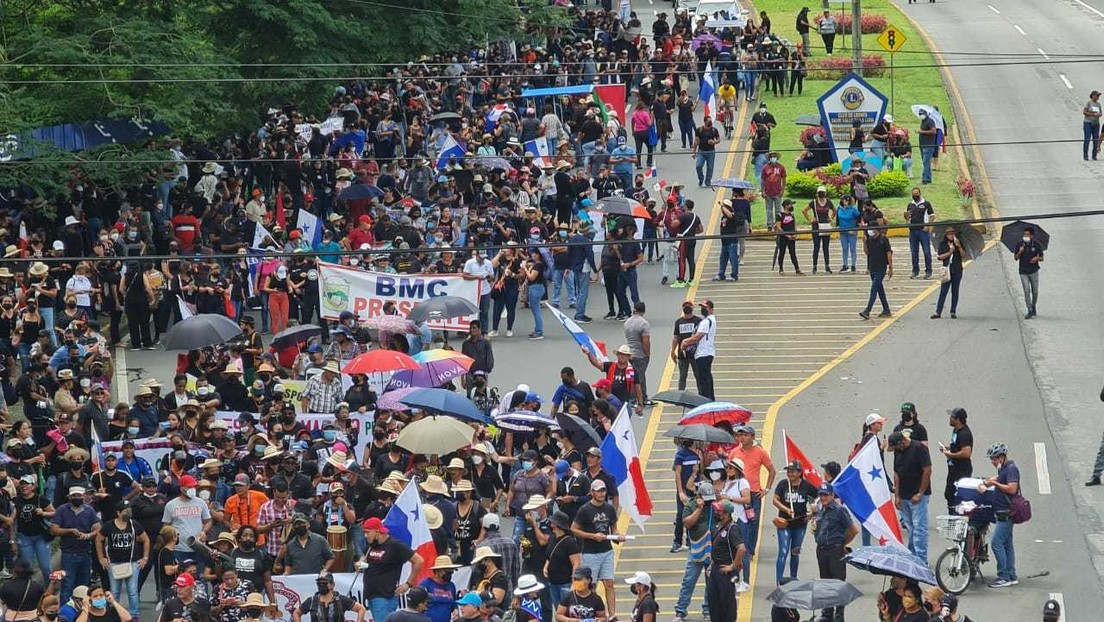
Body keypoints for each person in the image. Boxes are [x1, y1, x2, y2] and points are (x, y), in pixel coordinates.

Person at [570, 480, 624, 621]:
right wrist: (592, 536)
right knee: (590, 585)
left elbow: (614, 529)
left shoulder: (609, 509)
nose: (601, 493)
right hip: (590, 552)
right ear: (592, 492)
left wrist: (618, 535)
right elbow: (574, 529)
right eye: (598, 491)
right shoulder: (585, 510)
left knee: (609, 583)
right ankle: (592, 613)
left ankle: (612, 614)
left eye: (603, 490)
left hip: (606, 550)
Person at [727, 426, 774, 585]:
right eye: (740, 435)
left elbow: (771, 470)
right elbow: (729, 471)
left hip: (753, 494)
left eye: (745, 435)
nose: (742, 438)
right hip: (737, 493)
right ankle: (739, 548)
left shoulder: (760, 452)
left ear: (752, 437)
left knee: (753, 522)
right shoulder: (734, 452)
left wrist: (766, 489)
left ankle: (750, 550)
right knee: (736, 522)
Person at [357, 516, 423, 622]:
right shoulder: (372, 545)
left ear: (377, 531)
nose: (365, 536)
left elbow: (419, 560)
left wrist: (408, 584)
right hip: (371, 594)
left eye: (368, 532)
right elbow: (364, 557)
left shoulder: (395, 545)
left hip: (385, 596)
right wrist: (360, 563)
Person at [95, 500, 150, 619]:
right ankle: (114, 616)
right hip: (113, 563)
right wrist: (101, 558)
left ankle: (134, 616)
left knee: (133, 591)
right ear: (118, 513)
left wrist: (145, 558)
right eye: (126, 511)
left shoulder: (134, 524)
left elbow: (146, 539)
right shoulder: (109, 525)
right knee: (114, 592)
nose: (128, 513)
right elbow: (99, 540)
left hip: (132, 562)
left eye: (129, 510)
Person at [673, 482, 716, 622]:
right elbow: (687, 523)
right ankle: (680, 611)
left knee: (711, 583)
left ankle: (708, 610)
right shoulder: (691, 506)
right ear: (699, 496)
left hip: (711, 550)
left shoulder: (715, 506)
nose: (709, 501)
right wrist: (699, 508)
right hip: (696, 550)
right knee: (688, 581)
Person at [978, 443, 1019, 588]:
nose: (993, 462)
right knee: (1007, 545)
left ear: (1002, 457)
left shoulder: (1011, 469)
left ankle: (1003, 576)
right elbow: (997, 478)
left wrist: (995, 484)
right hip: (1001, 512)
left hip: (1006, 514)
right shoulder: (1004, 469)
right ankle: (1011, 575)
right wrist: (986, 483)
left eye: (994, 459)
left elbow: (1012, 488)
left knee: (996, 544)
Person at [812, 484, 855, 622]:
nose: (823, 497)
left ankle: (839, 615)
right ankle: (827, 612)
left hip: (835, 550)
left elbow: (853, 530)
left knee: (838, 584)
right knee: (826, 583)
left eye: (826, 495)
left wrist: (842, 544)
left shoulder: (839, 510)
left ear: (832, 495)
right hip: (822, 550)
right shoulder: (820, 509)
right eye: (821, 495)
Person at [51, 486, 101, 605]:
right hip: (68, 554)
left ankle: (82, 612)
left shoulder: (89, 511)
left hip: (85, 553)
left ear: (84, 496)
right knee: (67, 586)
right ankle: (65, 613)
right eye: (74, 496)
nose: (77, 498)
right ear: (69, 497)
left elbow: (98, 528)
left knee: (83, 588)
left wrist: (88, 535)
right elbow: (54, 529)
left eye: (79, 495)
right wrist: (69, 531)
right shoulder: (62, 510)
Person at [888, 432, 932, 564]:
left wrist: (920, 493)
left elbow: (927, 470)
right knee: (911, 528)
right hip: (904, 496)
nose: (895, 450)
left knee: (920, 528)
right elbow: (896, 473)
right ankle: (913, 556)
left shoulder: (919, 448)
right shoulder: (898, 451)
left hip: (917, 496)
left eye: (896, 447)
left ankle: (922, 560)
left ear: (902, 442)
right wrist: (897, 496)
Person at [772, 461, 817, 585]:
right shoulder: (782, 484)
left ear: (799, 473)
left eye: (792, 471)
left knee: (795, 552)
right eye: (788, 471)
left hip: (800, 525)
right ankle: (779, 581)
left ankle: (793, 580)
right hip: (784, 523)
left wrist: (812, 513)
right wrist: (786, 509)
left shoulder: (806, 486)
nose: (790, 473)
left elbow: (819, 499)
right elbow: (775, 500)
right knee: (783, 552)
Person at [704, 501, 745, 622]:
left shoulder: (732, 529)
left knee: (727, 603)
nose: (716, 513)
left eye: (719, 511)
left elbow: (741, 549)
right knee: (714, 601)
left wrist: (732, 566)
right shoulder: (719, 525)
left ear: (726, 514)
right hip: (715, 569)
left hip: (725, 572)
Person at [292, 572, 367, 622]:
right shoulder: (312, 601)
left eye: (324, 583)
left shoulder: (340, 599)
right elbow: (296, 613)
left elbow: (361, 609)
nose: (321, 585)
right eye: (319, 583)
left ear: (332, 585)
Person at [681, 300, 716, 400]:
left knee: (703, 379)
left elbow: (697, 337)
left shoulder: (706, 322)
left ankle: (706, 399)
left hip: (703, 353)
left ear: (711, 309)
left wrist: (685, 342)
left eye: (705, 307)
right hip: (706, 352)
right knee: (707, 377)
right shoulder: (709, 320)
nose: (703, 309)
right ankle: (710, 398)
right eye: (702, 307)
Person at [544, 511, 581, 607]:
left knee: (567, 610)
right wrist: (545, 567)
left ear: (556, 524)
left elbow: (576, 564)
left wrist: (574, 582)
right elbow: (549, 557)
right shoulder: (552, 538)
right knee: (558, 610)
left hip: (565, 583)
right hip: (553, 582)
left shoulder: (570, 542)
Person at [940, 408, 974, 512]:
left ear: (958, 419)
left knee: (957, 497)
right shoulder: (956, 430)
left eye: (952, 417)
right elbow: (957, 447)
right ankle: (952, 517)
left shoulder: (964, 434)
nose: (950, 419)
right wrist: (947, 449)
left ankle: (957, 519)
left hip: (961, 470)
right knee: (949, 494)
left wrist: (950, 455)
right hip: (953, 469)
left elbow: (966, 452)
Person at [858, 226, 893, 320]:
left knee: (874, 289)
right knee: (879, 289)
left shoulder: (883, 239)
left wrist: (890, 267)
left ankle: (867, 310)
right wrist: (864, 242)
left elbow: (888, 253)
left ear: (877, 231)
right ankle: (886, 309)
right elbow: (867, 252)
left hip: (881, 268)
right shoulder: (869, 239)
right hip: (872, 267)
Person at [931, 228, 964, 319]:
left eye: (953, 234)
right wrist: (950, 252)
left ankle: (953, 311)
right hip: (946, 270)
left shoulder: (959, 243)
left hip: (957, 269)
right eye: (949, 234)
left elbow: (964, 255)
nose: (951, 236)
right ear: (946, 235)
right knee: (943, 291)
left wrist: (959, 246)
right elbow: (940, 257)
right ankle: (938, 311)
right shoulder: (943, 244)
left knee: (955, 291)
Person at [623, 302, 652, 404]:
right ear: (644, 311)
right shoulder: (644, 324)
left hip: (629, 353)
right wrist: (647, 353)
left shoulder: (627, 322)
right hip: (640, 354)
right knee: (638, 378)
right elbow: (645, 341)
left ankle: (644, 397)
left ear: (634, 309)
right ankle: (634, 399)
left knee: (636, 376)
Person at [1014, 226, 1044, 319]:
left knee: (1035, 292)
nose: (1025, 236)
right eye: (1024, 234)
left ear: (1031, 236)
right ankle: (1029, 309)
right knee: (1026, 290)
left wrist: (1037, 258)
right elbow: (1015, 258)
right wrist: (1020, 252)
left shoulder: (1037, 245)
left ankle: (1033, 305)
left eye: (1027, 235)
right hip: (1023, 272)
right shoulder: (1020, 245)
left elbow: (1042, 258)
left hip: (1034, 271)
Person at [671, 301, 701, 392]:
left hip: (696, 354)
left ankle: (702, 394)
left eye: (689, 306)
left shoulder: (698, 321)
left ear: (692, 308)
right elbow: (676, 337)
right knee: (682, 376)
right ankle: (680, 395)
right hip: (682, 354)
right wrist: (672, 351)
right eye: (685, 306)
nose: (687, 307)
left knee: (698, 376)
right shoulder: (678, 322)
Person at [692, 116, 721, 188]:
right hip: (701, 151)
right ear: (704, 122)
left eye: (711, 121)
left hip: (711, 152)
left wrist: (714, 142)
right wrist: (694, 151)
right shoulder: (699, 130)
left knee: (710, 167)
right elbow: (696, 141)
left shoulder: (714, 130)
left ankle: (708, 181)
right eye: (708, 121)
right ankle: (701, 178)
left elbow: (718, 139)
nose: (710, 122)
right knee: (698, 166)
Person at [918, 109, 938, 184]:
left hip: (928, 145)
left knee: (925, 162)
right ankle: (928, 178)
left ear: (926, 114)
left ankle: (925, 179)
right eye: (920, 114)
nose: (921, 115)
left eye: (922, 114)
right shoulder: (923, 121)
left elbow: (934, 131)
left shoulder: (930, 121)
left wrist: (922, 132)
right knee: (925, 163)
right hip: (922, 145)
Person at [1085, 90, 1101, 160]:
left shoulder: (1098, 104)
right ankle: (1085, 155)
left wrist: (1099, 115)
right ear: (1093, 96)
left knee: (1095, 139)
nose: (1098, 97)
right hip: (1088, 122)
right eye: (1097, 96)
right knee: (1087, 139)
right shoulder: (1089, 103)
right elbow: (1084, 112)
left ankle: (1094, 155)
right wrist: (1093, 114)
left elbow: (1101, 113)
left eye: (1098, 96)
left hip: (1096, 123)